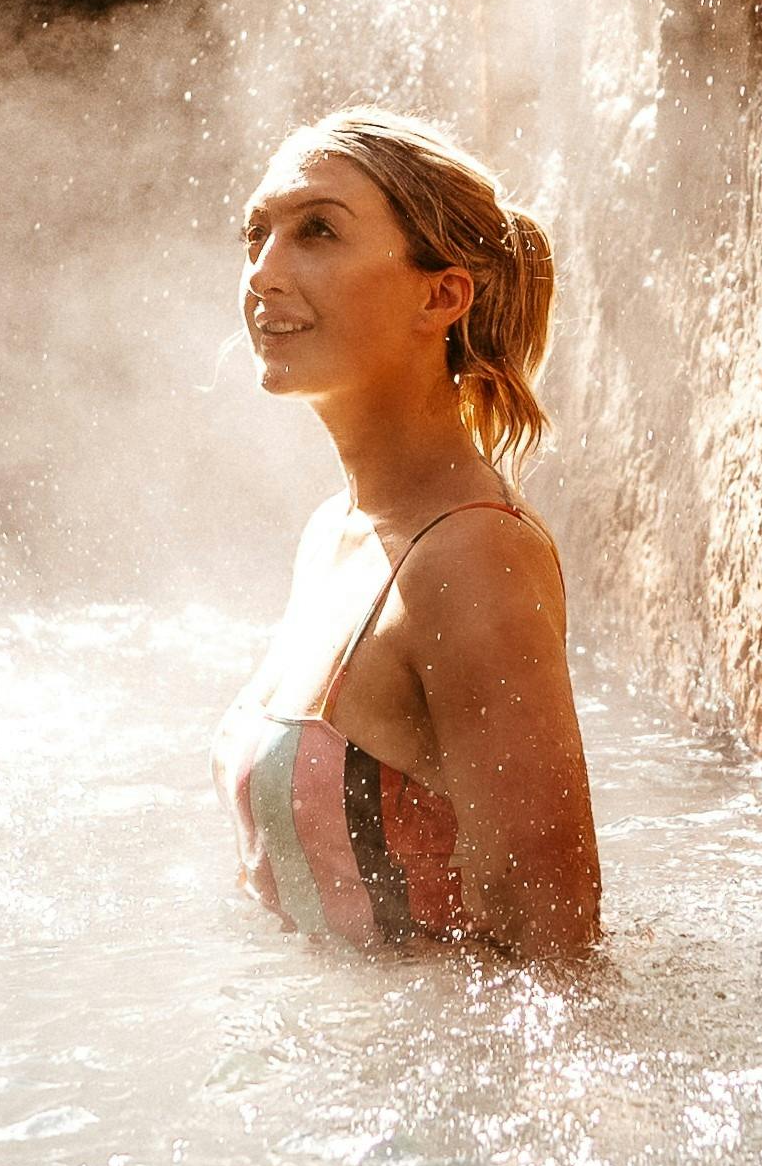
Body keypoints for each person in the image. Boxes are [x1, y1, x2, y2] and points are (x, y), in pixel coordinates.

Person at [209, 108, 602, 958]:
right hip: (329, 1069)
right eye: (256, 235)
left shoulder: (471, 556)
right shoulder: (334, 533)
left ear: (441, 294)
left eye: (316, 231)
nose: (263, 273)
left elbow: (557, 958)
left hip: (437, 1081)